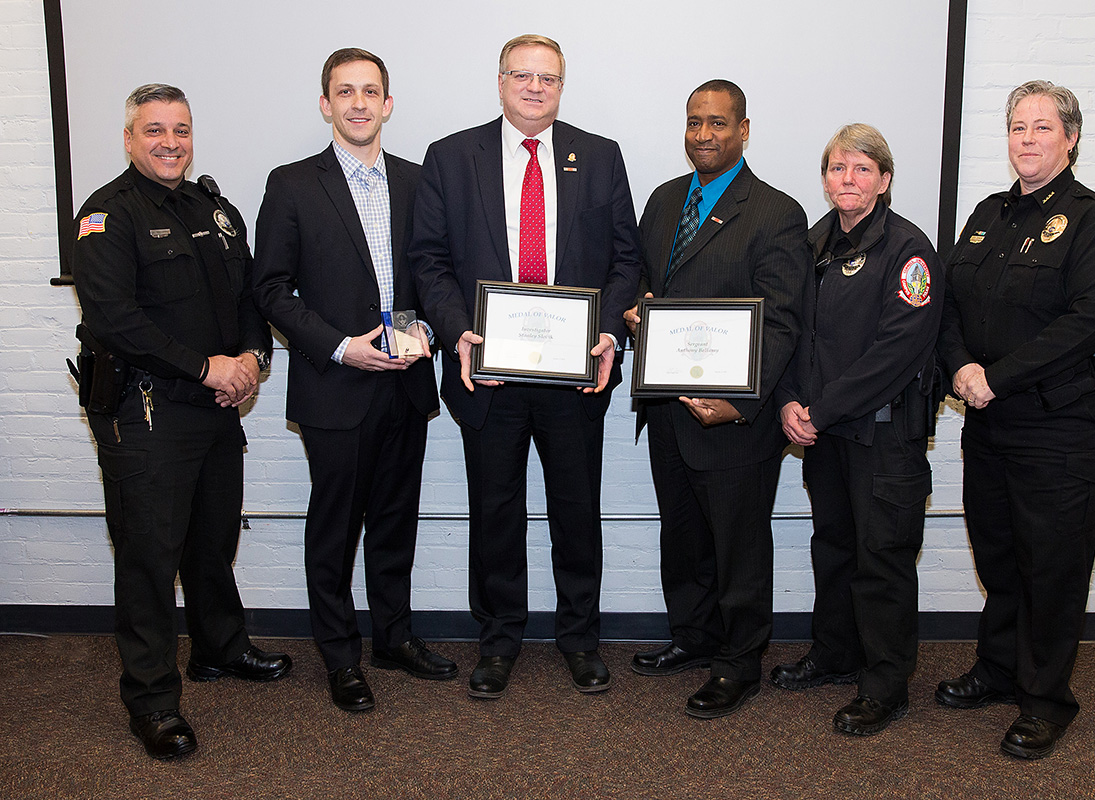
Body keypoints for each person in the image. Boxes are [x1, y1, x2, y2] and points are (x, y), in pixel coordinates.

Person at [409, 34, 641, 699]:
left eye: (549, 78)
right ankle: (499, 639)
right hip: (490, 374)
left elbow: (626, 262)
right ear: (501, 80)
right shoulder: (451, 158)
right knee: (496, 510)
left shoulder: (599, 157)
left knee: (577, 510)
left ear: (562, 86)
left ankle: (580, 638)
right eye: (523, 75)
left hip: (576, 376)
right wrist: (459, 333)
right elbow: (428, 260)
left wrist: (606, 335)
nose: (535, 87)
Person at [71, 84, 291, 760]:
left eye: (182, 129)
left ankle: (219, 649)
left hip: (216, 409)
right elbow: (116, 320)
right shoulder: (108, 215)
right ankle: (153, 701)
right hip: (147, 413)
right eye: (155, 130)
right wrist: (205, 368)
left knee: (211, 539)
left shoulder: (213, 209)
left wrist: (251, 357)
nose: (171, 141)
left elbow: (249, 294)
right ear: (131, 138)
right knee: (148, 558)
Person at [252, 48, 456, 714]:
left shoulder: (418, 179)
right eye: (346, 92)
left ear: (388, 104)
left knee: (395, 522)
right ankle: (341, 656)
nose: (360, 103)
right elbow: (272, 290)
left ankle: (393, 638)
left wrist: (426, 324)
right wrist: (340, 347)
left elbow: (429, 273)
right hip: (335, 386)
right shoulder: (292, 183)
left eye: (371, 92)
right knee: (336, 530)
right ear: (326, 104)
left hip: (404, 382)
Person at [937, 80, 1095, 759]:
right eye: (1018, 126)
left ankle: (1047, 699)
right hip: (989, 423)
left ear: (1071, 137)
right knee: (999, 553)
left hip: (1061, 428)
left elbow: (1088, 323)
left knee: (1051, 565)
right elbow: (950, 303)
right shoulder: (989, 213)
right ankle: (998, 670)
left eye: (1042, 128)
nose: (1027, 138)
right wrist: (960, 367)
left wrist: (995, 377)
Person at [623, 80, 807, 719]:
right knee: (685, 538)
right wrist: (637, 310)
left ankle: (739, 663)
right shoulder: (665, 199)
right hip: (669, 409)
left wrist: (744, 402)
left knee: (738, 546)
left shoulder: (775, 213)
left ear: (745, 130)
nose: (704, 135)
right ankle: (695, 638)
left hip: (733, 420)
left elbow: (783, 321)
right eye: (694, 123)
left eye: (718, 124)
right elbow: (651, 280)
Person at [770, 124, 943, 735]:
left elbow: (895, 353)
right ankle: (835, 653)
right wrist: (789, 400)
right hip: (826, 434)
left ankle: (885, 684)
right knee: (834, 550)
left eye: (863, 169)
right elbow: (792, 332)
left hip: (882, 435)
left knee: (882, 560)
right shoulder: (813, 241)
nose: (849, 178)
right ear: (825, 179)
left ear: (885, 180)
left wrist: (819, 410)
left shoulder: (907, 250)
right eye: (838, 168)